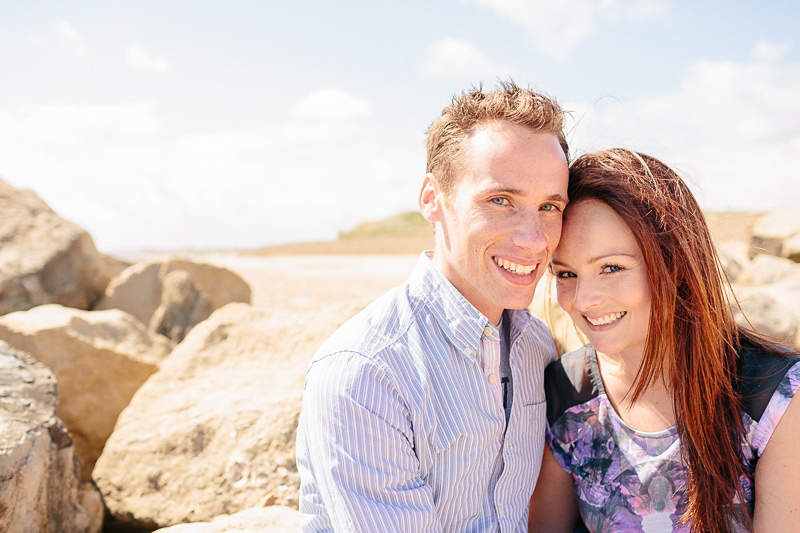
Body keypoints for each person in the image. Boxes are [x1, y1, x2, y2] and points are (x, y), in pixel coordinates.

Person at [296, 80, 570, 532]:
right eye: (500, 201)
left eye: (549, 206)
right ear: (432, 199)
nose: (534, 239)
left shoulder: (536, 346)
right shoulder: (366, 374)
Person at [528, 148, 800, 533]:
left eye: (611, 268)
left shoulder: (774, 397)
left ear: (675, 267)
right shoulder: (567, 392)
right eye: (566, 274)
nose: (584, 300)